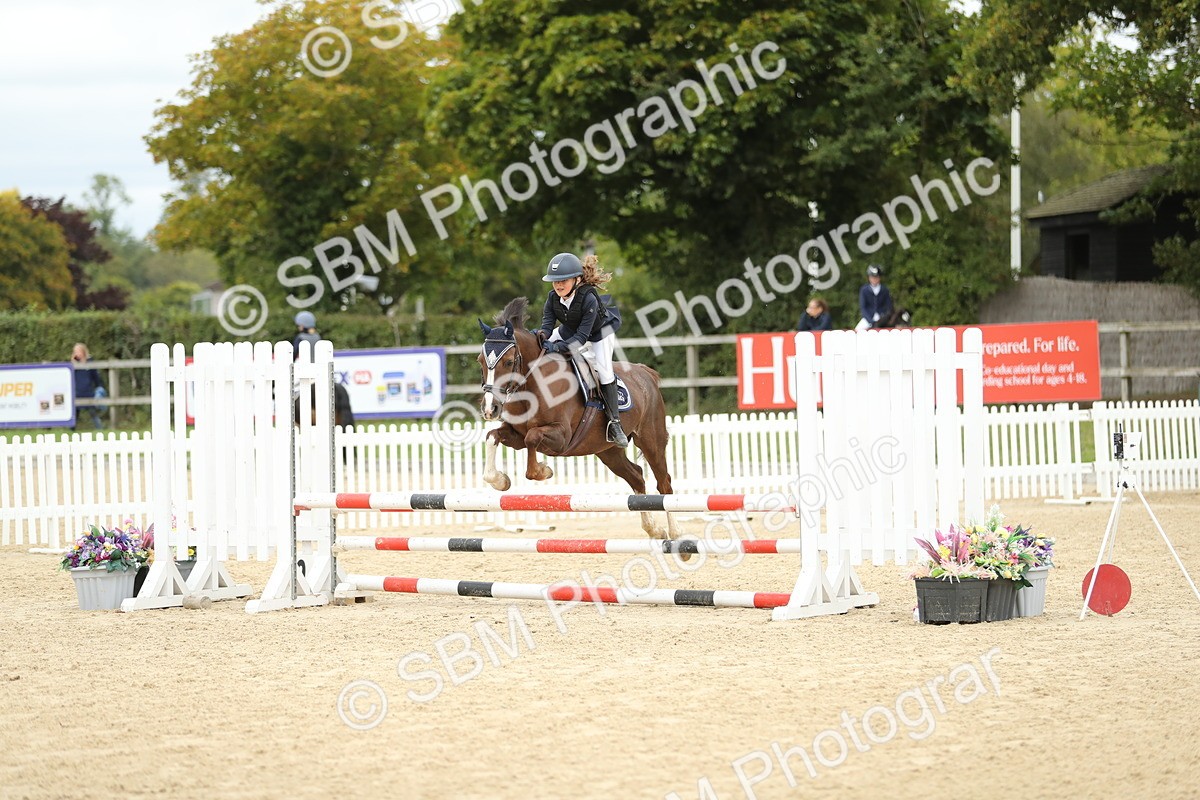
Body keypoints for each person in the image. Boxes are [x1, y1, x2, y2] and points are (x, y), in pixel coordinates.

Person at [538, 251, 628, 447]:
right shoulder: (552, 298)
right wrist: (539, 337)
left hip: (599, 333)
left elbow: (580, 339)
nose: (558, 285)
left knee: (604, 372)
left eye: (563, 280)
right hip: (571, 329)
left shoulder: (588, 299)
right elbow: (547, 326)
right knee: (538, 347)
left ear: (577, 280)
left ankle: (615, 424)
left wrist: (556, 347)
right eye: (555, 281)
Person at [70, 343, 107, 428]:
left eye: (79, 351)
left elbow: (96, 377)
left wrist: (100, 387)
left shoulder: (90, 363)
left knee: (93, 413)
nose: (77, 353)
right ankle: (71, 431)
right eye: (75, 351)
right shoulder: (72, 365)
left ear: (83, 352)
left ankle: (100, 430)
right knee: (74, 415)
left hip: (88, 392)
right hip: (77, 393)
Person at [857, 264, 894, 331]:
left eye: (876, 277)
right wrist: (870, 321)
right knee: (857, 330)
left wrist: (884, 317)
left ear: (879, 278)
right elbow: (863, 308)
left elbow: (888, 306)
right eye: (872, 277)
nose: (874, 279)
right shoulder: (864, 290)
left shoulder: (884, 290)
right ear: (869, 277)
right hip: (868, 318)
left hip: (882, 318)